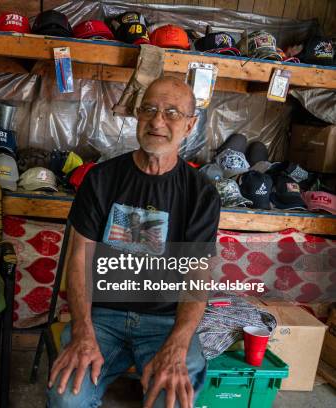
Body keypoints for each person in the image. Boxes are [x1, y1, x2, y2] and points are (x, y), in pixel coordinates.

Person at [47, 77, 221, 408]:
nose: (158, 121)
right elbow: (80, 257)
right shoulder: (101, 179)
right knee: (66, 397)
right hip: (101, 316)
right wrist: (83, 330)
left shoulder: (201, 193)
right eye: (149, 110)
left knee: (172, 397)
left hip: (164, 321)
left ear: (190, 124)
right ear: (137, 116)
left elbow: (198, 276)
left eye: (172, 112)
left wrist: (179, 343)